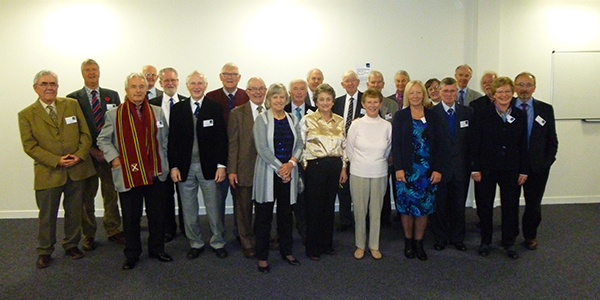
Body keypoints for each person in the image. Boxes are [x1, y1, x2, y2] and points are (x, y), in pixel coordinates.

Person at [19, 70, 96, 268]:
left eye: (53, 83)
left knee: (75, 211)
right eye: (44, 84)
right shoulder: (26, 114)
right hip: (49, 172)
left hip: (77, 169)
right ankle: (45, 250)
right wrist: (56, 160)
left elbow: (85, 134)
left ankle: (71, 244)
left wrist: (79, 155)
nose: (49, 87)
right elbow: (30, 146)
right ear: (36, 88)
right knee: (47, 214)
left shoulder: (72, 105)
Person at [97, 72, 172, 270]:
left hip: (155, 172)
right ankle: (132, 254)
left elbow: (164, 139)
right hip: (128, 174)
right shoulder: (113, 115)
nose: (138, 90)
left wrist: (165, 163)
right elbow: (102, 140)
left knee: (157, 215)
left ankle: (157, 249)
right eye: (134, 86)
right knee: (131, 217)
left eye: (142, 86)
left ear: (147, 89)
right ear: (126, 90)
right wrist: (113, 158)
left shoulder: (157, 112)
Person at [168, 71, 229, 259]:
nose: (196, 86)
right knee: (188, 208)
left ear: (205, 85)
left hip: (209, 167)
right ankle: (195, 242)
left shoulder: (215, 108)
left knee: (214, 207)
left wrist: (221, 165)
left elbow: (221, 139)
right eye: (193, 83)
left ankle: (218, 241)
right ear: (187, 86)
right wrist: (174, 166)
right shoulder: (178, 109)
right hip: (185, 168)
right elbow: (173, 141)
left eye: (200, 83)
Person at [66, 59, 125, 250]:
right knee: (86, 197)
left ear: (99, 72)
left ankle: (113, 229)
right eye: (87, 70)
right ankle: (89, 234)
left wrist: (109, 151)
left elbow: (119, 124)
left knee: (111, 194)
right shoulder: (72, 99)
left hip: (109, 155)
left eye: (94, 70)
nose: (91, 73)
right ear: (82, 74)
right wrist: (91, 149)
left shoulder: (112, 95)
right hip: (87, 156)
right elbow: (72, 129)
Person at [470, 76, 529, 259]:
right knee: (485, 205)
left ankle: (508, 242)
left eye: (507, 91)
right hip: (486, 168)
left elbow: (523, 145)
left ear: (513, 93)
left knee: (510, 206)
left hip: (511, 168)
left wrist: (523, 170)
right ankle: (485, 241)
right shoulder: (482, 113)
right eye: (500, 92)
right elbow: (474, 142)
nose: (504, 95)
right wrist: (475, 168)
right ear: (493, 95)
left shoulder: (520, 115)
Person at [253, 83, 303, 273]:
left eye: (282, 97)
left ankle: (287, 251)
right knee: (264, 216)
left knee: (285, 215)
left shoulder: (292, 119)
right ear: (269, 99)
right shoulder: (262, 119)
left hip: (288, 174)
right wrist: (280, 168)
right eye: (275, 97)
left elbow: (299, 143)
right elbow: (262, 148)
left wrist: (290, 164)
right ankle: (262, 256)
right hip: (267, 173)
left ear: (286, 99)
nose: (279, 100)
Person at [392, 80, 444, 261]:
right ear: (407, 95)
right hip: (405, 171)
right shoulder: (400, 116)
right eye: (411, 93)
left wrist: (438, 169)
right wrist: (398, 168)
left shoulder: (433, 116)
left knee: (424, 207)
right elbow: (396, 144)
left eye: (418, 92)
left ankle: (419, 242)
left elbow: (439, 145)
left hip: (427, 172)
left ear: (424, 94)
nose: (415, 96)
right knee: (406, 207)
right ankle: (408, 241)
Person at [512, 72, 558, 250]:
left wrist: (546, 162)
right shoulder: (505, 107)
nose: (524, 89)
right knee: (511, 204)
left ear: (534, 87)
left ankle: (530, 235)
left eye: (528, 85)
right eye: (521, 85)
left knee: (533, 205)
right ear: (515, 87)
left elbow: (552, 139)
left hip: (537, 167)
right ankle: (510, 235)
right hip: (513, 167)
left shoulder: (546, 109)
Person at [302, 83, 348, 261]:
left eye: (328, 99)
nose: (325, 102)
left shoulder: (340, 120)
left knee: (329, 207)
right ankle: (312, 247)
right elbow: (301, 144)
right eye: (321, 99)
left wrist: (344, 167)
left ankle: (326, 244)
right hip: (315, 166)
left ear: (333, 101)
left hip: (335, 166)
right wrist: (306, 165)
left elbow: (344, 146)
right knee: (314, 207)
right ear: (316, 101)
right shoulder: (308, 119)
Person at [206, 62, 250, 244]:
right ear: (220, 77)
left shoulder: (247, 96)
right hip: (217, 157)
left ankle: (241, 233)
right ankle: (219, 234)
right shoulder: (210, 97)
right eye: (226, 74)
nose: (230, 77)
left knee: (241, 200)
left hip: (241, 158)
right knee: (217, 200)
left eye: (234, 74)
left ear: (239, 78)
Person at [345, 88, 391, 260]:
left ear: (380, 104)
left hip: (379, 172)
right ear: (363, 104)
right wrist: (361, 163)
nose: (372, 105)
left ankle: (374, 245)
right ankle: (360, 245)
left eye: (376, 102)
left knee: (376, 211)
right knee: (359, 210)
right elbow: (349, 149)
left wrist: (376, 162)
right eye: (369, 102)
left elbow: (388, 150)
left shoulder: (387, 126)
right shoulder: (356, 124)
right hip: (359, 172)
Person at [429, 77, 474, 252]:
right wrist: (433, 168)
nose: (449, 94)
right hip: (439, 169)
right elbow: (430, 144)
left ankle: (457, 238)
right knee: (439, 206)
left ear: (457, 92)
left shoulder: (467, 112)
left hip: (461, 168)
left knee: (458, 206)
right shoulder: (432, 113)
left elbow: (471, 141)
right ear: (439, 92)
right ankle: (440, 237)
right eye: (445, 91)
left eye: (452, 91)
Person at [227, 77, 267, 259]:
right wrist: (232, 170)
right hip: (244, 168)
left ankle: (261, 238)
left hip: (267, 169)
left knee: (263, 208)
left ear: (265, 91)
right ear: (248, 92)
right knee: (244, 209)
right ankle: (247, 242)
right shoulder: (237, 113)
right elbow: (233, 143)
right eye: (254, 89)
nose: (258, 92)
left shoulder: (273, 111)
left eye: (261, 89)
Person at [148, 67, 187, 242]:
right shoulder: (152, 104)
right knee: (164, 195)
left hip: (182, 156)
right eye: (166, 81)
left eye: (173, 80)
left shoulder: (187, 102)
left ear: (178, 82)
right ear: (160, 83)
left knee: (185, 194)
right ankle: (169, 228)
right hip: (161, 156)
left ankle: (187, 227)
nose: (170, 83)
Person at [332, 70, 364, 232]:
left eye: (353, 80)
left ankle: (361, 221)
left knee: (360, 189)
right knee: (343, 187)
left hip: (361, 152)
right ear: (342, 85)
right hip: (340, 151)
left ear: (358, 82)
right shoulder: (336, 102)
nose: (350, 83)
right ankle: (345, 220)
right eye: (347, 81)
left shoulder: (367, 100)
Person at [285, 78, 315, 244]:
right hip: (287, 162)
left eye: (302, 89)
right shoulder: (282, 109)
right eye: (295, 89)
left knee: (305, 198)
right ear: (290, 92)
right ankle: (284, 232)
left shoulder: (314, 111)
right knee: (286, 199)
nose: (298, 92)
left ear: (306, 91)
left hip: (308, 163)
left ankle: (304, 231)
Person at [365, 70, 397, 228]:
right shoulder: (363, 103)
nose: (376, 85)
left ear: (383, 85)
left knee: (384, 186)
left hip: (387, 153)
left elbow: (396, 131)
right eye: (373, 82)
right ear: (368, 85)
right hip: (368, 156)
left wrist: (392, 153)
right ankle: (368, 218)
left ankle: (384, 218)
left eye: (379, 82)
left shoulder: (392, 104)